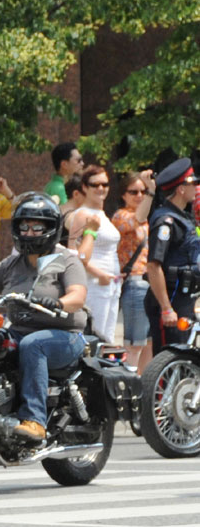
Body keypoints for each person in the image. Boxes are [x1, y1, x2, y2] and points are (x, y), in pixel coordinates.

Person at [0, 193, 89, 442]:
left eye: (37, 227)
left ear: (51, 229)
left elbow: (78, 296)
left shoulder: (66, 260)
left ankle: (35, 420)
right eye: (24, 227)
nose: (29, 233)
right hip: (20, 330)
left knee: (33, 344)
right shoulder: (12, 263)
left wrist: (59, 302)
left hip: (65, 335)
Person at [144, 158, 200, 355]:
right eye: (193, 183)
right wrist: (166, 308)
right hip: (170, 299)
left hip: (184, 298)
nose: (196, 187)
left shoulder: (184, 217)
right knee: (168, 357)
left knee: (184, 356)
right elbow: (153, 266)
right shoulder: (166, 221)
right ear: (181, 189)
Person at [65, 165, 121, 342]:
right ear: (84, 187)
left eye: (105, 184)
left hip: (112, 284)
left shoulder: (102, 214)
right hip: (94, 284)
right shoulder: (82, 215)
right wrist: (99, 274)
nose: (101, 188)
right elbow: (74, 254)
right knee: (95, 337)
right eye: (95, 185)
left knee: (108, 338)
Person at [111, 170, 154, 371]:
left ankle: (144, 385)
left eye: (142, 191)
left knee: (149, 343)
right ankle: (129, 384)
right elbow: (138, 218)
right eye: (133, 192)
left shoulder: (146, 219)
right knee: (135, 344)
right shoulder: (120, 216)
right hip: (134, 282)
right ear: (123, 195)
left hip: (149, 281)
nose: (139, 195)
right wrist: (151, 192)